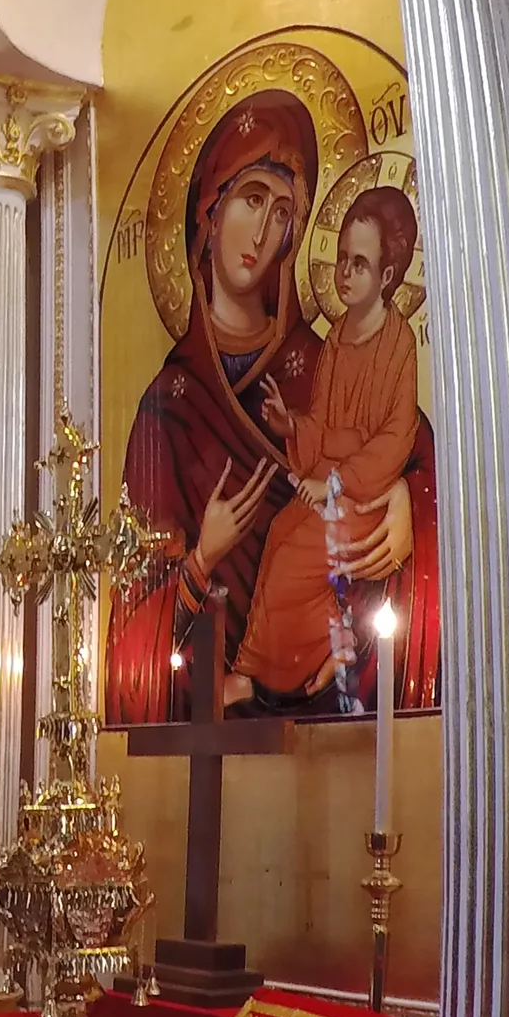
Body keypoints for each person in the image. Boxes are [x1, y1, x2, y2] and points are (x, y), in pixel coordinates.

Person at [106, 90, 324, 724]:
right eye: (252, 200)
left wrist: (399, 500)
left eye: (282, 213)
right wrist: (203, 556)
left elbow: (398, 452)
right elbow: (129, 638)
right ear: (212, 205)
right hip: (206, 707)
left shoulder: (318, 366)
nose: (262, 232)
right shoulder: (165, 408)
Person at [237, 185, 420, 711]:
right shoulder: (336, 337)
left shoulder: (398, 344)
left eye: (359, 263)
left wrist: (337, 482)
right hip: (329, 485)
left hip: (364, 497)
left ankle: (292, 663)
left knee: (298, 553)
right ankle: (263, 660)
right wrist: (291, 425)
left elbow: (395, 436)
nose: (344, 273)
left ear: (387, 276)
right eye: (341, 259)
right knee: (278, 531)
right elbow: (321, 421)